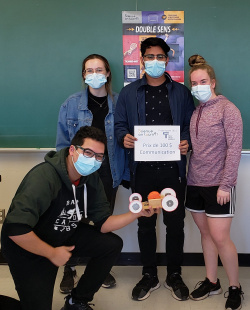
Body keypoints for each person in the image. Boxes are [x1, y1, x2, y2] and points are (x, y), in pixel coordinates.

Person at [1, 126, 155, 310]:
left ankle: (77, 301)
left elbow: (104, 223)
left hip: (63, 233)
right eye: (88, 152)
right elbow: (15, 229)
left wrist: (137, 213)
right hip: (28, 246)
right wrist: (51, 253)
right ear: (73, 150)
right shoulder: (44, 177)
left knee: (111, 244)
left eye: (99, 156)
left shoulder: (90, 178)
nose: (94, 160)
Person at [114, 37, 195, 301]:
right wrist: (123, 137)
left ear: (167, 60)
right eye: (150, 57)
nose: (155, 61)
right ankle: (149, 274)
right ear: (142, 60)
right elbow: (119, 125)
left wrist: (187, 142)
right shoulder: (129, 93)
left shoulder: (181, 92)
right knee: (145, 224)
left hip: (174, 169)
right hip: (142, 170)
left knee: (175, 225)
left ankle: (174, 274)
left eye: (160, 57)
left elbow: (189, 125)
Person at [56, 54, 129, 293]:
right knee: (74, 220)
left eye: (99, 69)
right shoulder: (70, 103)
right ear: (84, 75)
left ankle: (99, 267)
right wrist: (67, 175)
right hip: (79, 171)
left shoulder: (120, 102)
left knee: (101, 221)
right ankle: (70, 268)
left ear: (108, 73)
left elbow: (125, 139)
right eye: (89, 70)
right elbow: (62, 145)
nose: (95, 74)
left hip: (109, 171)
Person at [185, 55, 244, 310]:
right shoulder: (195, 112)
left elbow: (234, 149)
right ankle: (212, 281)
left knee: (221, 238)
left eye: (202, 81)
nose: (197, 86)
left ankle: (235, 286)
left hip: (218, 185)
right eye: (193, 82)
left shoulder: (228, 109)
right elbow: (198, 148)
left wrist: (225, 184)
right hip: (194, 182)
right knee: (206, 234)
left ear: (213, 82)